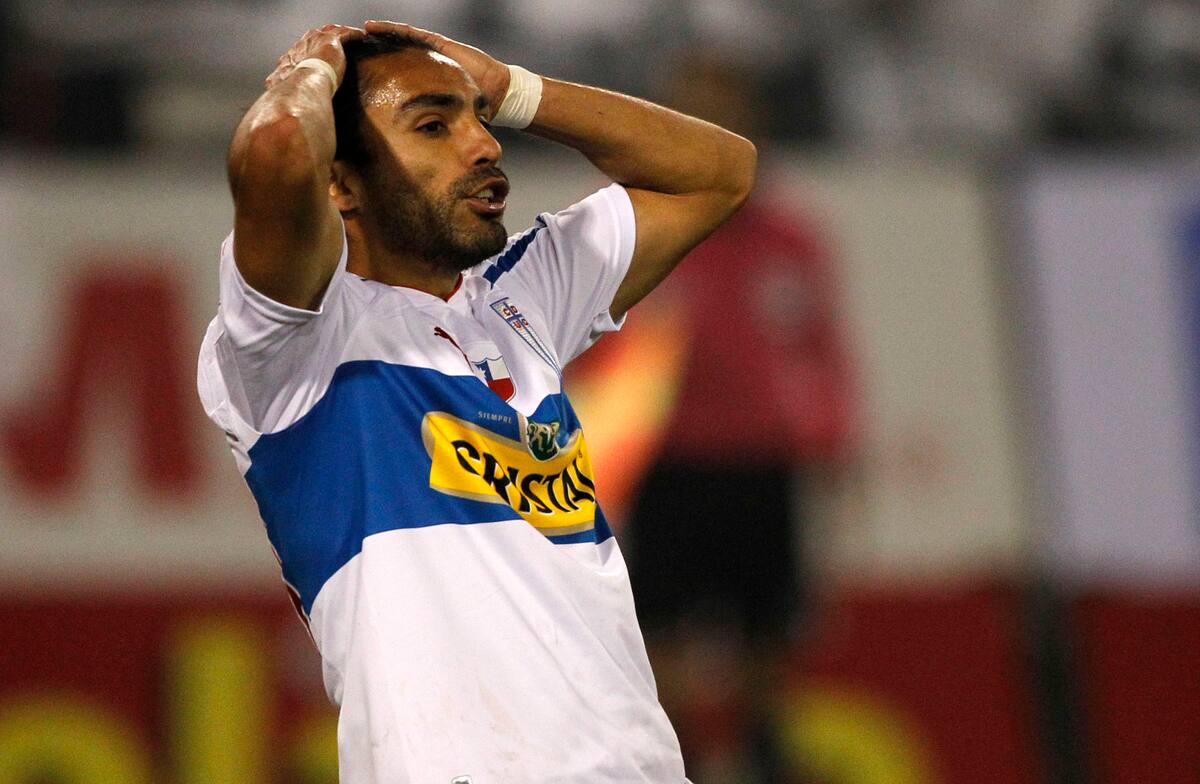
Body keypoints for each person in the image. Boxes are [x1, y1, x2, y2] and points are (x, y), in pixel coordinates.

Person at [196, 19, 755, 784]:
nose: (485, 145)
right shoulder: (296, 343)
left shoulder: (523, 297)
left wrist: (515, 91)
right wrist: (312, 70)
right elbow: (276, 150)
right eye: (433, 126)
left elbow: (720, 171)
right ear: (341, 183)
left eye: (479, 120)